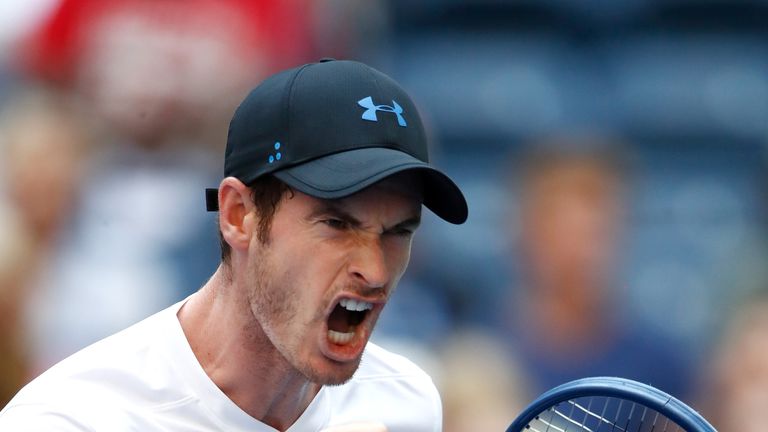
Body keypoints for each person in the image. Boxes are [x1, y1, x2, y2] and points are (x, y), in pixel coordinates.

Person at [0, 59, 468, 431]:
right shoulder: (71, 419)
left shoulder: (407, 401)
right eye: (336, 224)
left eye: (398, 232)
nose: (375, 270)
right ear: (238, 216)